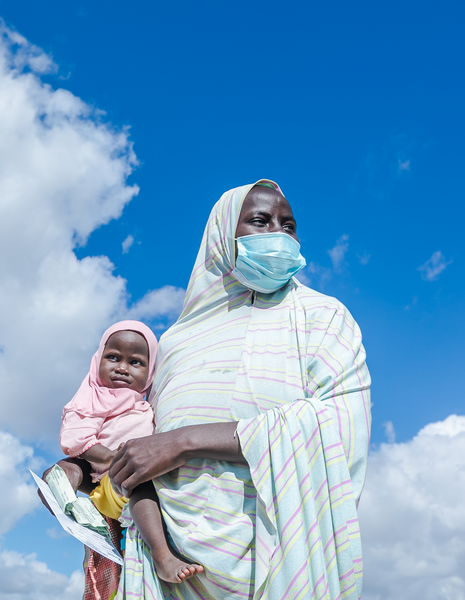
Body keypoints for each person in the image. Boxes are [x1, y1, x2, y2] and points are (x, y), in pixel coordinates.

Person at [109, 180, 371, 599]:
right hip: (169, 572)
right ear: (222, 236)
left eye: (288, 226)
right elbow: (137, 441)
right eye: (260, 221)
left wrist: (184, 442)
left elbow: (340, 430)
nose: (279, 236)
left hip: (279, 564)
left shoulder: (322, 319)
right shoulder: (176, 342)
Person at [47, 321, 203, 600]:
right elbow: (76, 439)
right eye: (113, 357)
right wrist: (112, 457)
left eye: (135, 362)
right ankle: (73, 511)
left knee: (141, 485)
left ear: (151, 371)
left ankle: (159, 554)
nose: (122, 367)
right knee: (61, 469)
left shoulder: (149, 405)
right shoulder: (92, 396)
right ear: (98, 360)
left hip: (126, 486)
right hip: (99, 482)